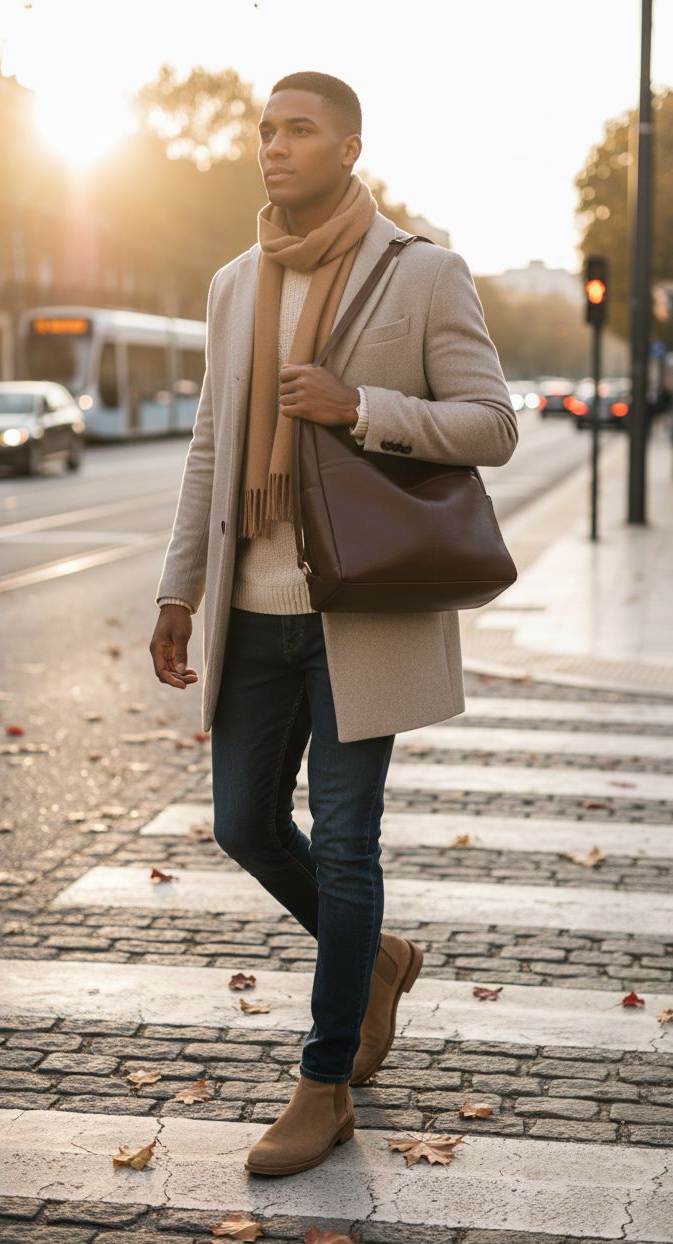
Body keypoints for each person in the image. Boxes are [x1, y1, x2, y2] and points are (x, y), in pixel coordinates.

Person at [149, 70, 517, 1177]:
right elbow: (211, 445)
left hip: (358, 610)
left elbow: (491, 426)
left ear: (349, 147)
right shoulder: (231, 284)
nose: (273, 147)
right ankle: (382, 962)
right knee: (245, 827)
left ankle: (323, 1082)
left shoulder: (423, 274)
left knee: (348, 844)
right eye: (265, 131)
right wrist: (180, 591)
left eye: (298, 130)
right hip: (253, 615)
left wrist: (360, 407)